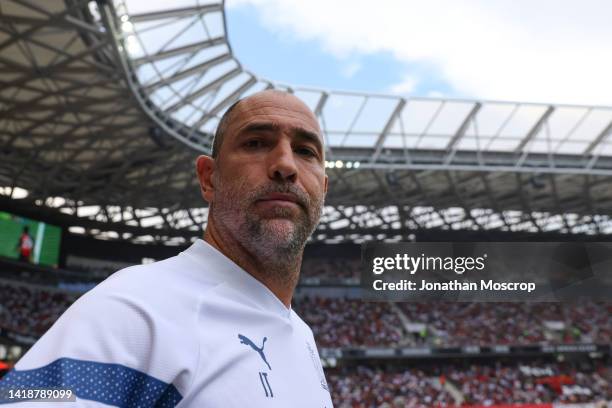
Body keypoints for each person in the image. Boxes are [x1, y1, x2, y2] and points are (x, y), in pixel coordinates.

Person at [1, 90, 333, 407]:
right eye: (256, 143)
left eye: (306, 151)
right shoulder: (137, 307)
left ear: (324, 188)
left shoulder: (302, 333)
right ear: (208, 178)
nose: (285, 165)